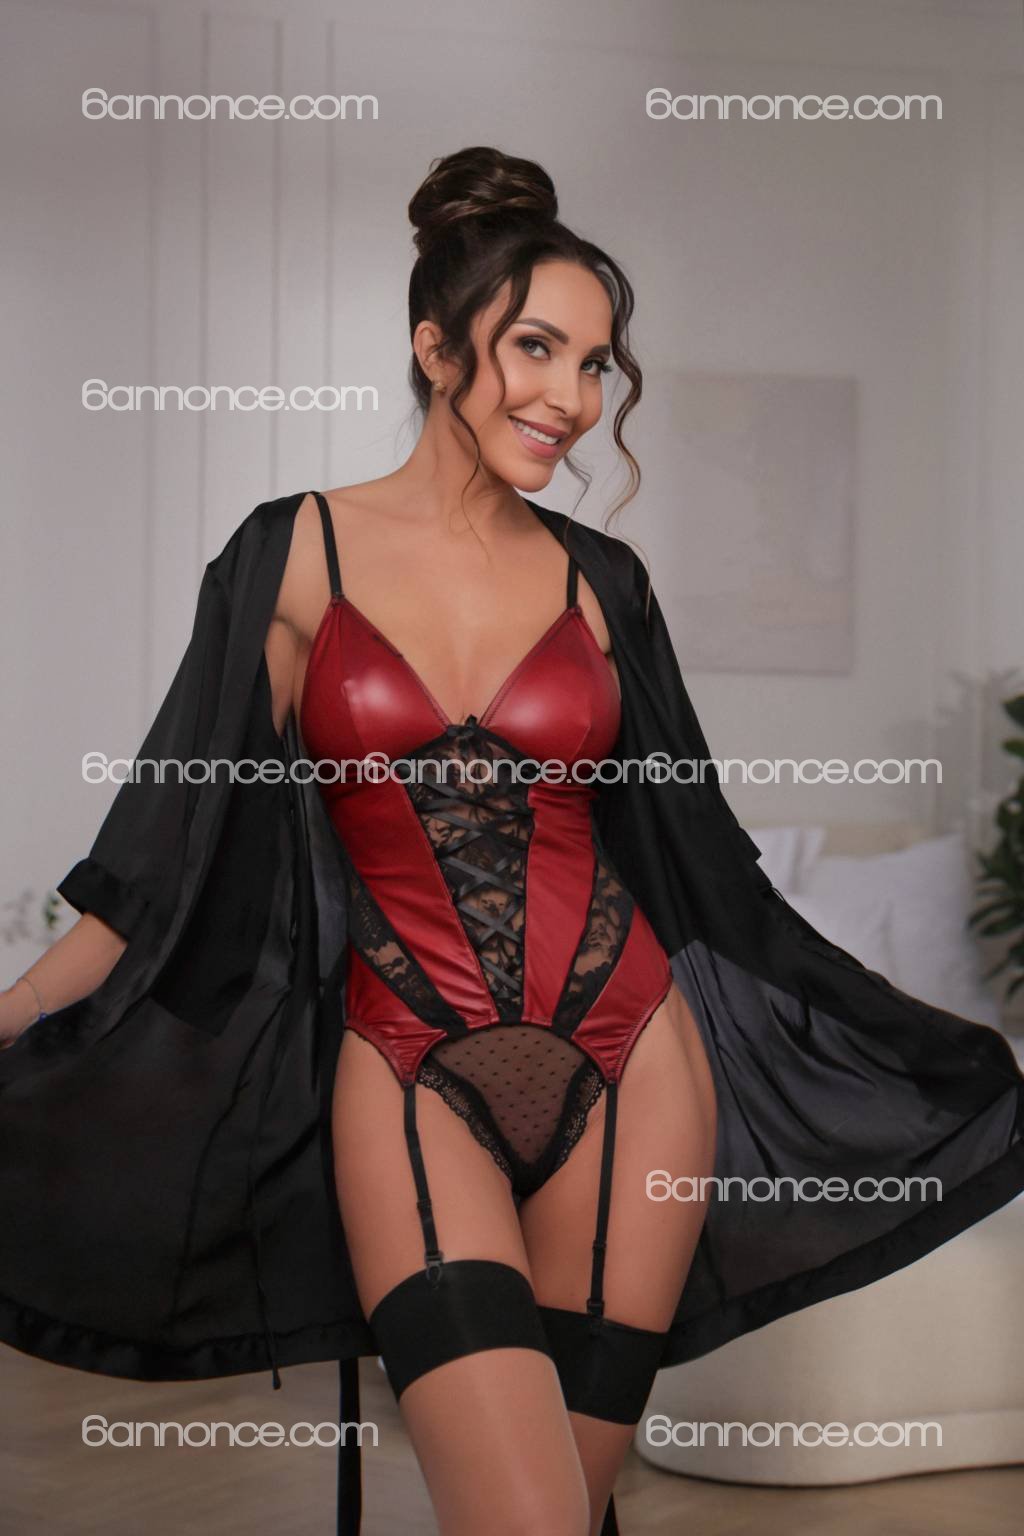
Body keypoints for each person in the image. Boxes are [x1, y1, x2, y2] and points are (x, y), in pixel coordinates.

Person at [3, 146, 1023, 1536]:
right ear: (436, 349)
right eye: (536, 347)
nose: (572, 398)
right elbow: (164, 857)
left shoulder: (606, 583)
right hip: (406, 1063)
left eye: (595, 364)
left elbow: (708, 868)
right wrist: (16, 1011)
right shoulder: (291, 555)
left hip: (637, 1066)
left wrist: (905, 1039)